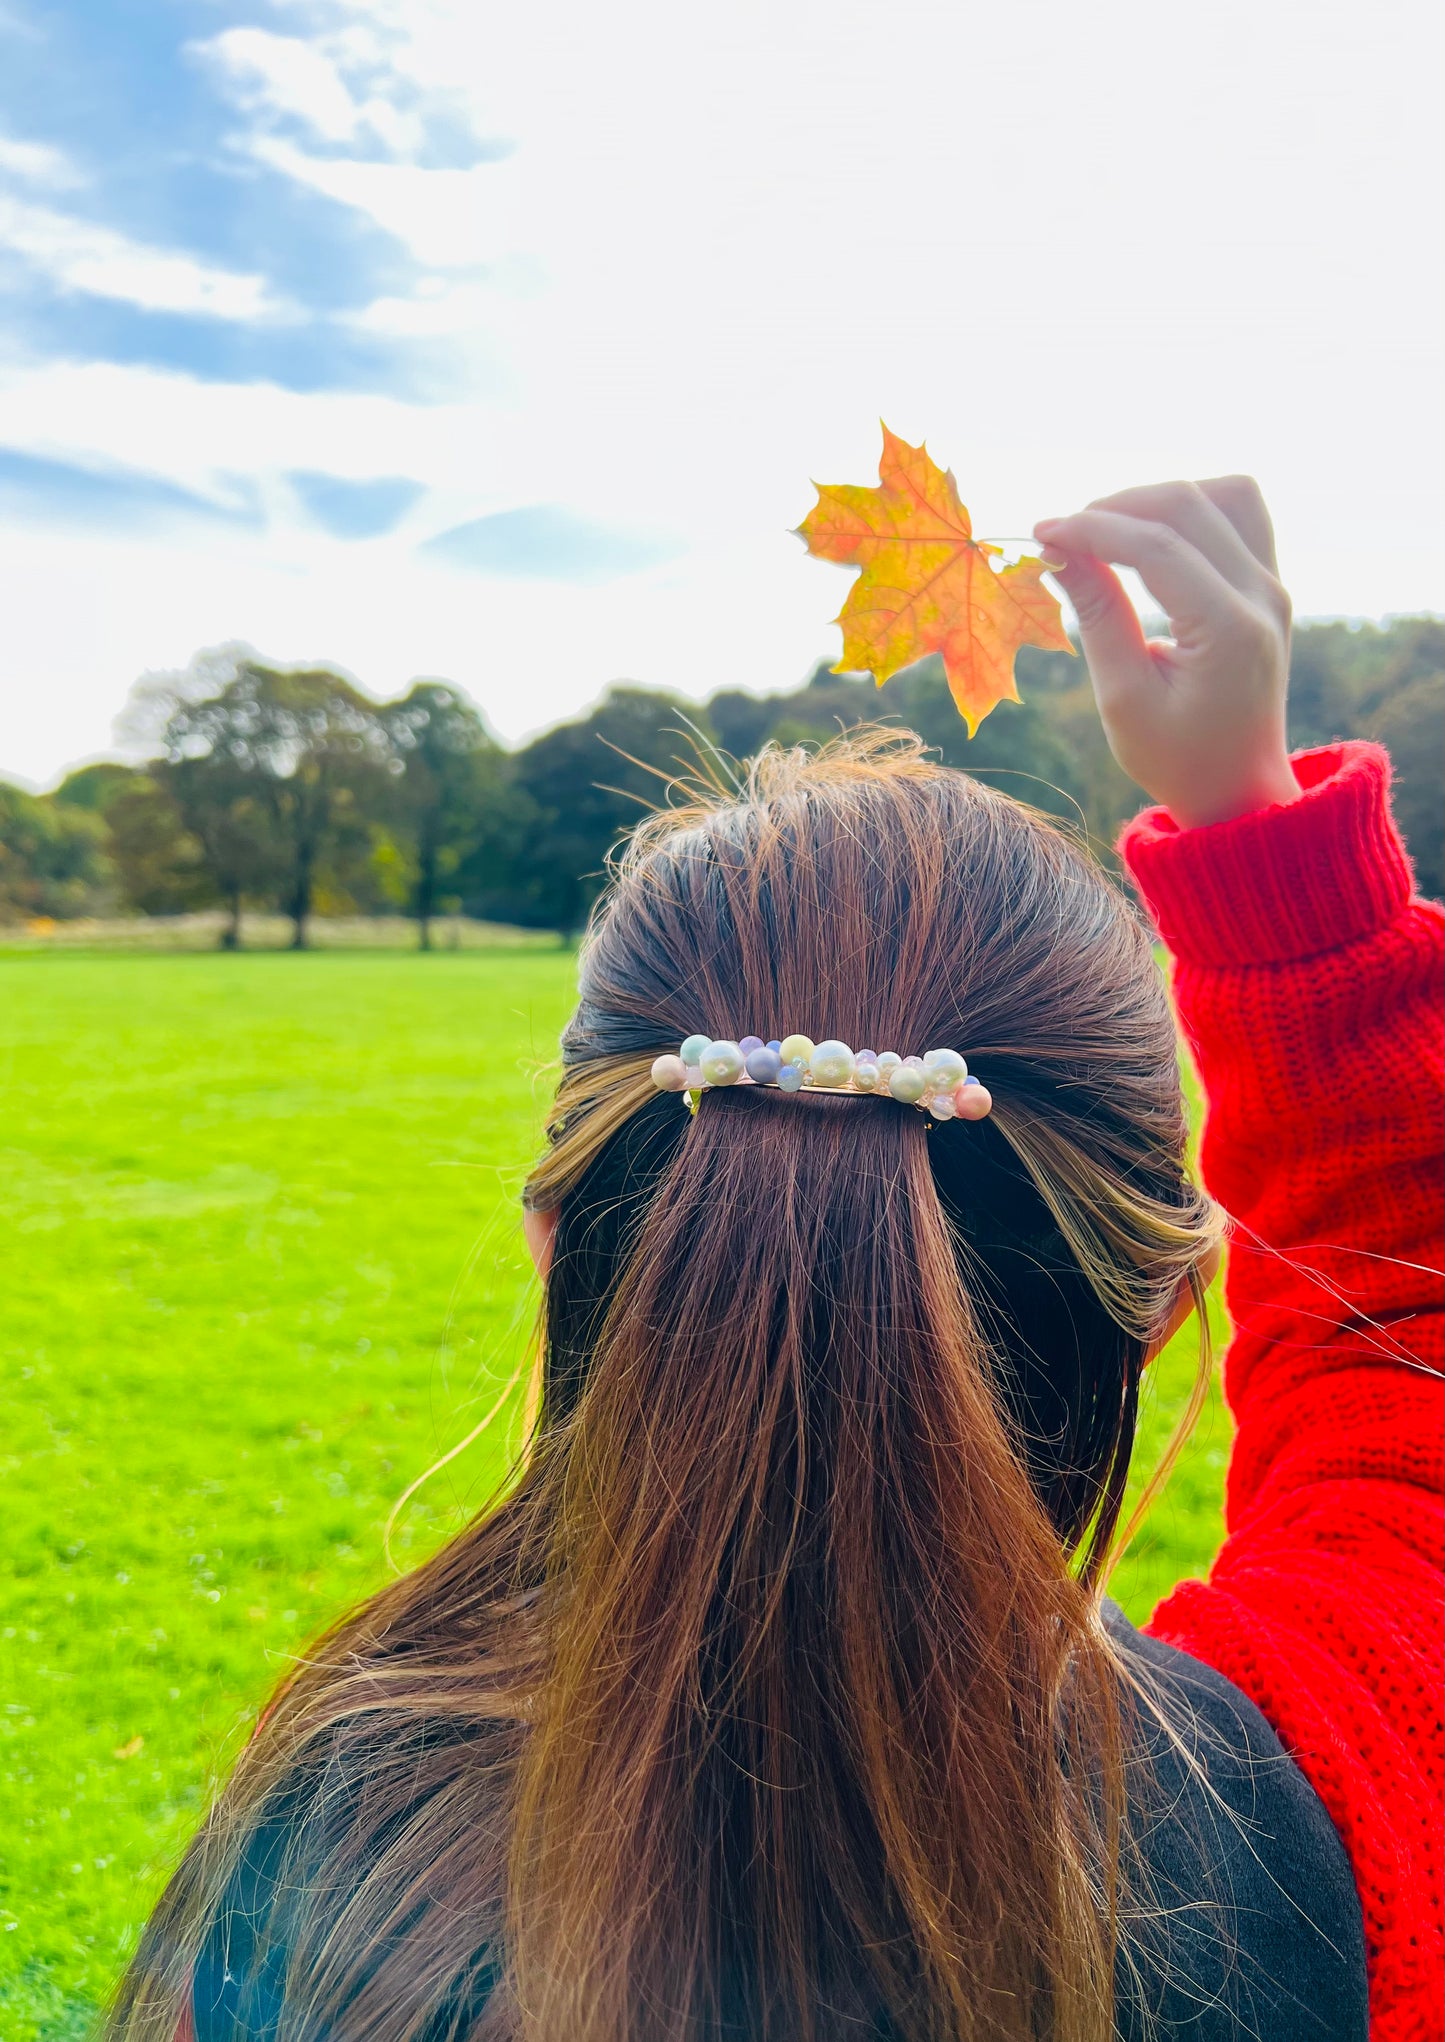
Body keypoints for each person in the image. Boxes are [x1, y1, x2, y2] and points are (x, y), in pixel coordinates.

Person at [110, 479, 1442, 2042]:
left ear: (559, 1238)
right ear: (1162, 1301)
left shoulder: (334, 1847)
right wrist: (1259, 836)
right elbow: (1400, 1357)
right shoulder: (1317, 1811)